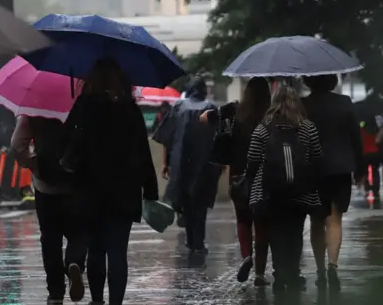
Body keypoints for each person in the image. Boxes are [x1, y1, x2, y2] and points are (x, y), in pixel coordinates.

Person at [63, 58, 158, 305]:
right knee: (118, 252)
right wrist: (151, 191)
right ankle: (115, 301)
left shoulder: (84, 107)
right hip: (124, 192)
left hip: (90, 190)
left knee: (96, 250)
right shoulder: (130, 109)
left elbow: (66, 142)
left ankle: (96, 300)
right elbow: (143, 153)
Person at [246, 85, 323, 293]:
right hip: (300, 192)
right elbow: (316, 157)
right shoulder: (308, 127)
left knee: (275, 234)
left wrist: (252, 181)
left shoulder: (263, 128)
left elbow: (252, 159)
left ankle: (279, 274)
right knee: (295, 233)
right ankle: (293, 272)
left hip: (269, 193)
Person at [199, 77, 271, 285]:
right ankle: (259, 273)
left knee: (243, 219)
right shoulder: (271, 113)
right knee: (262, 223)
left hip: (239, 175)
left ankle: (246, 255)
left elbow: (204, 118)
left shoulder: (234, 110)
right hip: (265, 175)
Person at [11, 115, 87, 304]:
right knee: (79, 232)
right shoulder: (80, 103)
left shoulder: (33, 110)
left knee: (50, 239)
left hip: (45, 185)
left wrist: (31, 163)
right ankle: (74, 262)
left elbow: (17, 143)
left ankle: (55, 293)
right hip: (76, 183)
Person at [302, 75, 365, 290]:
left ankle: (319, 269)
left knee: (316, 220)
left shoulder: (303, 105)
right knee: (335, 218)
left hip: (313, 169)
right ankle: (333, 264)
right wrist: (360, 169)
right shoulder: (344, 102)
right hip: (340, 167)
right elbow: (355, 137)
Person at [155, 76, 221, 254]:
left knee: (184, 199)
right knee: (200, 204)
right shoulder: (211, 108)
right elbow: (220, 138)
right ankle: (197, 241)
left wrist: (165, 163)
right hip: (205, 165)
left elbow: (167, 137)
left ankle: (189, 235)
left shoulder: (178, 107)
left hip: (180, 163)